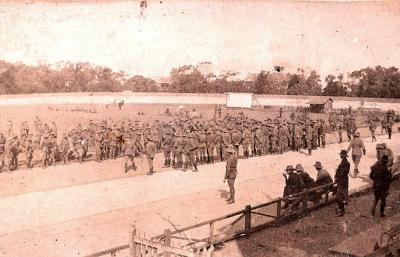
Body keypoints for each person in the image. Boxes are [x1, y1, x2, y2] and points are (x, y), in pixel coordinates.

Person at [335, 150, 350, 217]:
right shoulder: (344, 162)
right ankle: (341, 209)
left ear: (343, 155)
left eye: (341, 154)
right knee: (341, 196)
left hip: (342, 181)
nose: (340, 155)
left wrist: (337, 179)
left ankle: (342, 211)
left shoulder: (346, 163)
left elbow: (343, 173)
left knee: (340, 196)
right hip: (343, 180)